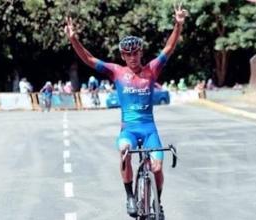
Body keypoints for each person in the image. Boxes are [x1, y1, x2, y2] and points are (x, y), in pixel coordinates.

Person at [64, 3, 187, 219]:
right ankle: (130, 196)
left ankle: (158, 202)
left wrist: (178, 25)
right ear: (122, 55)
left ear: (141, 53)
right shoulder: (116, 72)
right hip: (129, 129)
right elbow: (89, 59)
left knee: (157, 167)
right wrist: (73, 39)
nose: (132, 57)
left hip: (149, 129)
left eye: (136, 53)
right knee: (124, 151)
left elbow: (169, 48)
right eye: (128, 54)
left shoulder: (152, 69)